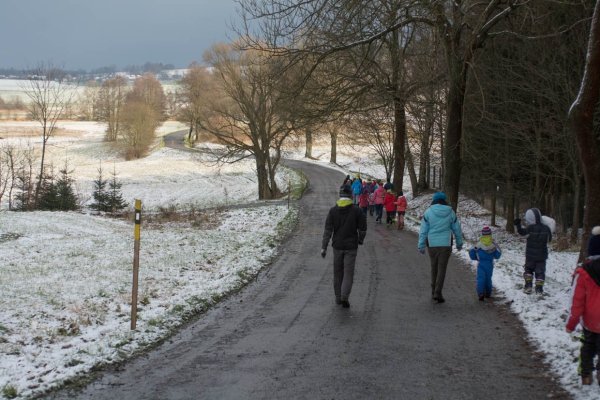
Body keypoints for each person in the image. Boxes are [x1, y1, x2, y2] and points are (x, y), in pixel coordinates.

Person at [321, 184, 367, 308]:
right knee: (348, 273)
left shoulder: (333, 211)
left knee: (337, 272)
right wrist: (360, 240)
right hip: (351, 247)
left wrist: (324, 247)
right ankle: (344, 296)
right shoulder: (357, 211)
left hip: (337, 246)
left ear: (340, 195)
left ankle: (338, 297)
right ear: (350, 195)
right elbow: (363, 228)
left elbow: (328, 230)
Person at [566, 226, 600, 386]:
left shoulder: (583, 272)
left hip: (590, 320)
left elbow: (577, 301)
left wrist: (571, 323)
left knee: (587, 346)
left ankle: (586, 375)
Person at [417, 191, 463, 303]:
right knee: (442, 269)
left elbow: (423, 230)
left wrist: (421, 245)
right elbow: (457, 229)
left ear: (434, 200)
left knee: (434, 267)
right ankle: (438, 292)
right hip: (446, 244)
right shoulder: (450, 212)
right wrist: (459, 243)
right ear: (444, 200)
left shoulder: (428, 212)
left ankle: (433, 291)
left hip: (432, 244)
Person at [514, 208, 552, 295]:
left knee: (528, 270)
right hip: (542, 256)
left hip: (530, 256)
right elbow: (549, 239)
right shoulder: (546, 228)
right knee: (540, 272)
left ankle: (528, 286)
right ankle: (539, 289)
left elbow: (522, 233)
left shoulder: (530, 228)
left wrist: (518, 224)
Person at [468, 226, 502, 301]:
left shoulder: (479, 244)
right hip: (489, 264)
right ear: (490, 234)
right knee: (488, 279)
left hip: (481, 264)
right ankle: (488, 293)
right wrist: (498, 248)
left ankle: (481, 293)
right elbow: (498, 255)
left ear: (482, 234)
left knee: (480, 278)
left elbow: (471, 252)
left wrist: (475, 258)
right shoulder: (493, 245)